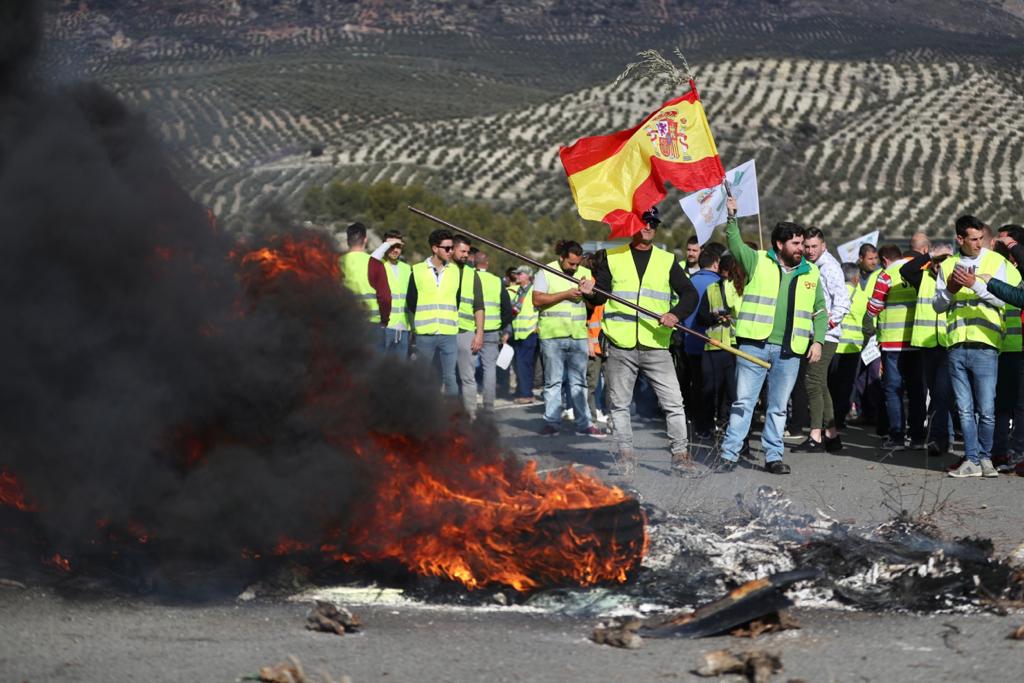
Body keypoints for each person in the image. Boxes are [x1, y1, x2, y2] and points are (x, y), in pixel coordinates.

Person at [716, 199, 826, 475]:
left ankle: (773, 456)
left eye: (802, 244)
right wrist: (732, 217)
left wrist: (819, 340)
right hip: (754, 346)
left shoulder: (810, 272)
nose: (802, 249)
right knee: (744, 403)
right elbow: (736, 244)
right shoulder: (758, 261)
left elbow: (820, 311)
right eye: (796, 244)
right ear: (780, 245)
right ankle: (729, 455)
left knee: (778, 408)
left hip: (789, 351)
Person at [589, 208, 698, 476]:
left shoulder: (666, 260)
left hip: (656, 344)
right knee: (619, 405)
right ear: (633, 225)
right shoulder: (611, 257)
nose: (648, 227)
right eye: (644, 222)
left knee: (674, 404)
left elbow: (689, 294)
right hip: (620, 345)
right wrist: (588, 292)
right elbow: (599, 297)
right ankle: (625, 457)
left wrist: (676, 314)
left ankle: (680, 457)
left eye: (653, 223)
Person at [933, 215, 1015, 478]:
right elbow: (937, 305)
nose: (979, 244)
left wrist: (975, 284)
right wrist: (950, 290)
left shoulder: (995, 261)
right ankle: (971, 459)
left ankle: (986, 458)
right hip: (957, 344)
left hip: (986, 344)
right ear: (960, 239)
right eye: (973, 239)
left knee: (987, 408)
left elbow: (1002, 300)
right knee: (965, 409)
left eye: (981, 238)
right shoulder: (949, 266)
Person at [533, 241, 604, 437]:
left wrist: (589, 294)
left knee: (579, 382)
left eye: (577, 263)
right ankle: (552, 422)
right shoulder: (546, 272)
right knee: (553, 382)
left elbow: (592, 306)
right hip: (552, 336)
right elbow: (537, 299)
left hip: (578, 336)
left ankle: (585, 424)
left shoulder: (585, 273)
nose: (575, 267)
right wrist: (565, 294)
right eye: (571, 264)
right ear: (561, 258)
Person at [792, 227, 850, 452]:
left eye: (814, 246)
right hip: (812, 334)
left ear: (823, 246)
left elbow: (843, 303)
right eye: (806, 246)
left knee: (812, 382)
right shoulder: (810, 267)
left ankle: (815, 434)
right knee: (820, 384)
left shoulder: (830, 268)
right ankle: (832, 435)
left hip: (825, 336)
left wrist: (823, 329)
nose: (809, 250)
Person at [898, 233, 955, 459]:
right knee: (938, 393)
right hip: (928, 344)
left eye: (944, 262)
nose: (939, 266)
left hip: (948, 344)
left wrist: (949, 260)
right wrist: (930, 255)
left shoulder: (954, 280)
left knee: (942, 394)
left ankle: (939, 439)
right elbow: (906, 270)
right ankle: (943, 437)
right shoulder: (923, 278)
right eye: (937, 261)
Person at [865, 244, 926, 450]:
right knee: (917, 390)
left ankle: (897, 437)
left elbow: (873, 307)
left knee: (894, 390)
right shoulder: (918, 272)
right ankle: (918, 437)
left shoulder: (886, 275)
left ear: (884, 260)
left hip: (893, 343)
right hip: (917, 341)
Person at [978, 224, 1024, 476]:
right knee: (999, 405)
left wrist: (990, 283)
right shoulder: (996, 265)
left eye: (1001, 241)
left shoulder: (1009, 270)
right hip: (997, 345)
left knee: (1008, 405)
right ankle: (1000, 452)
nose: (994, 244)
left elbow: (1017, 299)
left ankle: (1006, 453)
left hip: (1010, 347)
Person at [407, 229, 460, 395]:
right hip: (425, 333)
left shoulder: (455, 270)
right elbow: (411, 300)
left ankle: (453, 417)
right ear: (435, 248)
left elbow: (456, 299)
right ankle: (423, 415)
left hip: (448, 332)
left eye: (452, 248)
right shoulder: (416, 270)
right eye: (447, 248)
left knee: (450, 377)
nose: (451, 251)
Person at [681, 246, 724, 440]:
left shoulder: (690, 281)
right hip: (712, 342)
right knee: (712, 388)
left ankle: (697, 424)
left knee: (695, 384)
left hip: (690, 341)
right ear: (716, 264)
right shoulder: (718, 283)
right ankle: (711, 423)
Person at [696, 252, 739, 432]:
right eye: (723, 273)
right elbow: (701, 317)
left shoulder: (741, 289)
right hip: (713, 345)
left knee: (730, 391)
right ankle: (706, 427)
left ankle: (726, 424)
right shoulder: (712, 289)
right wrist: (715, 318)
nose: (725, 277)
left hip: (733, 346)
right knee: (709, 390)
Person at [472, 249, 513, 416]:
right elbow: (507, 309)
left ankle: (469, 404)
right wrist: (500, 325)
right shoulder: (497, 281)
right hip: (491, 330)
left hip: (471, 328)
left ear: (473, 263)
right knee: (490, 369)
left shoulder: (468, 278)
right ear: (486, 264)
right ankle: (488, 405)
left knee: (468, 368)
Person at [339, 222, 391, 344]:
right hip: (372, 325)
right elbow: (385, 298)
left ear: (347, 240)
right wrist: (384, 320)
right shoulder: (375, 264)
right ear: (365, 240)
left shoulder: (338, 263)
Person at [452, 235, 486, 418]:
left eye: (467, 252)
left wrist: (479, 334)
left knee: (467, 378)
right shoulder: (442, 270)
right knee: (446, 378)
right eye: (462, 251)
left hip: (465, 333)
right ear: (453, 249)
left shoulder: (472, 274)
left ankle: (470, 417)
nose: (466, 255)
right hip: (443, 331)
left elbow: (479, 306)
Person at [830, 262, 867, 427]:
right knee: (846, 385)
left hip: (833, 345)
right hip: (853, 347)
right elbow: (868, 322)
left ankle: (828, 418)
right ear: (856, 277)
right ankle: (839, 419)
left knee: (830, 383)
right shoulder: (862, 296)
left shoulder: (834, 293)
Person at [370, 230, 410, 355]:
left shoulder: (407, 268)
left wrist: (412, 327)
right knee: (381, 371)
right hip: (385, 328)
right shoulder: (378, 266)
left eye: (398, 247)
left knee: (400, 372)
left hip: (404, 329)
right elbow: (373, 258)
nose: (395, 250)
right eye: (392, 246)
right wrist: (388, 244)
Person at [509, 266, 539, 404]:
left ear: (528, 275)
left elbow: (539, 310)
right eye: (517, 274)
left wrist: (536, 328)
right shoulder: (518, 291)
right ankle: (524, 391)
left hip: (529, 333)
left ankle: (527, 394)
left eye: (520, 274)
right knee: (522, 365)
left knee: (524, 365)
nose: (517, 276)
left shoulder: (533, 291)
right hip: (518, 333)